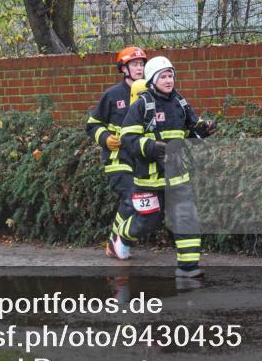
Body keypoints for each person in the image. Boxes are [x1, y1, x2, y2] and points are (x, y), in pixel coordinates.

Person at [111, 55, 216, 277]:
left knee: (186, 217)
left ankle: (188, 268)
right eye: (164, 76)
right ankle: (122, 236)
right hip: (147, 179)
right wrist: (150, 147)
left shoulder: (180, 103)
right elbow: (128, 139)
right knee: (148, 220)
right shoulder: (142, 105)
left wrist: (202, 130)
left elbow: (190, 132)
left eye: (171, 76)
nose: (169, 80)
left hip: (177, 176)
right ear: (152, 79)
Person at [86, 46, 146, 258]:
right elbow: (92, 124)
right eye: (134, 64)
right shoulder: (112, 95)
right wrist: (104, 138)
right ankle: (116, 240)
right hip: (117, 158)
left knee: (144, 204)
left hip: (142, 160)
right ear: (124, 68)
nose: (139, 68)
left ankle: (120, 239)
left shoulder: (151, 94)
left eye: (141, 64)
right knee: (131, 197)